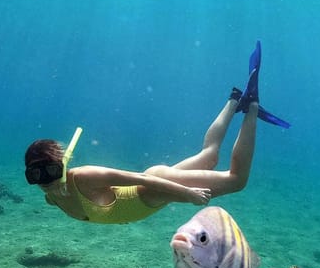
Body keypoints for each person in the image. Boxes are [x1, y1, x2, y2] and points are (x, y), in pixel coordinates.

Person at [24, 41, 290, 224]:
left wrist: (187, 194)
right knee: (208, 156)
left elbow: (142, 178)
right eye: (35, 175)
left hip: (153, 186)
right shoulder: (51, 197)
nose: (44, 180)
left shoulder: (84, 177)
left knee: (236, 180)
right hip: (153, 195)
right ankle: (235, 100)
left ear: (63, 164)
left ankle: (252, 105)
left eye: (48, 170)